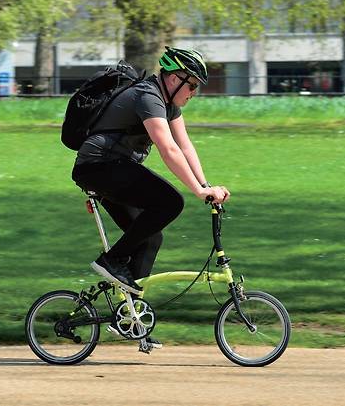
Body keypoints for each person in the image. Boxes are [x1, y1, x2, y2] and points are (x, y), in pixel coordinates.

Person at [72, 46, 230, 304]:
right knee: (170, 202)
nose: (194, 93)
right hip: (99, 167)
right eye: (192, 85)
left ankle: (130, 315)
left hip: (112, 170)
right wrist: (199, 191)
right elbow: (168, 149)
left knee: (150, 238)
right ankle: (112, 260)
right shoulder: (148, 96)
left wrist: (205, 185)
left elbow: (185, 146)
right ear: (174, 79)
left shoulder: (169, 105)